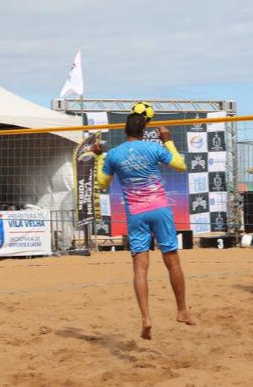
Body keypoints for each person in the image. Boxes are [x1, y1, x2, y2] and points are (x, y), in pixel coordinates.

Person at [92, 110, 194, 339]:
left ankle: (146, 318)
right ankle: (181, 310)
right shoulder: (153, 148)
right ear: (144, 131)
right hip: (159, 209)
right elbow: (180, 164)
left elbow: (102, 183)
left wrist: (99, 156)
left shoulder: (114, 155)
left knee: (140, 269)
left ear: (124, 130)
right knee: (173, 262)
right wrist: (167, 140)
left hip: (136, 213)